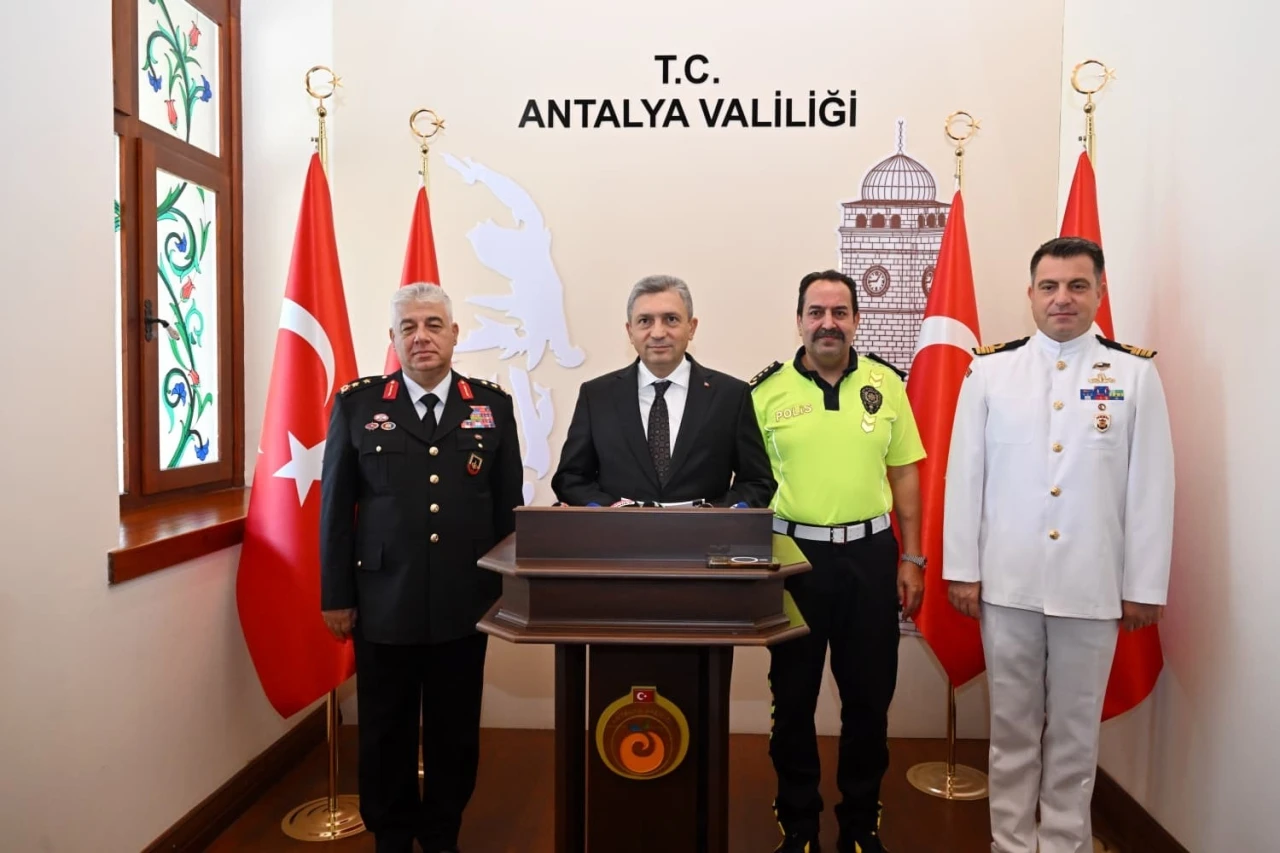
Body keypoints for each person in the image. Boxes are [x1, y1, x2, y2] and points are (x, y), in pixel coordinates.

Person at [943, 237, 1174, 853]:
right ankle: (1011, 842)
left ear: (1100, 292)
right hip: (1008, 583)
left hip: (1091, 586)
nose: (1062, 298)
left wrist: (1144, 585)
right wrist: (962, 569)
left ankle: (1067, 842)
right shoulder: (990, 372)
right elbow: (964, 478)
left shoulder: (1133, 374)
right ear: (1031, 294)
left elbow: (1151, 487)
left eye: (1077, 285)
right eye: (1049, 286)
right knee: (1011, 729)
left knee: (1074, 734)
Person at [319, 283, 524, 853]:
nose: (421, 337)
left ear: (454, 334)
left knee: (454, 730)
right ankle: (390, 835)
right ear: (393, 338)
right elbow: (335, 510)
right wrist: (336, 594)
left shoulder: (491, 406)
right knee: (385, 728)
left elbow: (507, 510)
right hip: (383, 600)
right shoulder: (359, 405)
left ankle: (441, 833)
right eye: (408, 327)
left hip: (465, 598)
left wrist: (507, 594)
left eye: (433, 325)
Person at [750, 270, 926, 853]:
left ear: (856, 318)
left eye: (840, 311)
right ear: (799, 320)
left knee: (868, 700)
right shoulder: (764, 393)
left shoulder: (886, 383)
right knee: (792, 700)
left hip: (871, 558)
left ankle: (860, 825)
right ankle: (798, 824)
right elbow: (749, 486)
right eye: (816, 312)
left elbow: (904, 473)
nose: (828, 323)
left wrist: (913, 557)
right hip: (791, 560)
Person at [551, 274, 775, 508]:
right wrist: (613, 509)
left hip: (705, 531)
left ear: (691, 327)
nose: (658, 333)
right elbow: (570, 479)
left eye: (671, 319)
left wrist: (714, 514)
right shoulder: (596, 396)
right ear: (630, 331)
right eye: (645, 321)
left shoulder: (730, 395)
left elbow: (757, 482)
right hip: (618, 530)